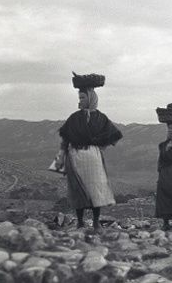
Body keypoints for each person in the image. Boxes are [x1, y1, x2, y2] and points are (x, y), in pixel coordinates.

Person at [56, 87, 123, 232]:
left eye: (83, 98)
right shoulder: (74, 117)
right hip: (76, 156)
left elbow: (114, 134)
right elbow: (65, 138)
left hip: (93, 157)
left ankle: (96, 221)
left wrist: (101, 146)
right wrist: (61, 155)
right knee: (77, 189)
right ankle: (80, 222)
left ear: (91, 98)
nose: (80, 101)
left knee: (95, 189)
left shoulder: (101, 118)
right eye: (79, 98)